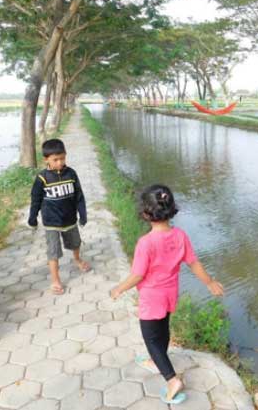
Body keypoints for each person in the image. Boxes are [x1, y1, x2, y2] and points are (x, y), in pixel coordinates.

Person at [110, 184, 224, 404]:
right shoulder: (180, 235)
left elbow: (137, 275)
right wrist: (209, 282)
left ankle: (171, 380)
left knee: (150, 338)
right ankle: (157, 360)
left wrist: (118, 289)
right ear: (171, 208)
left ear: (145, 213)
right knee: (162, 330)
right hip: (170, 293)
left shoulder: (146, 243)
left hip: (152, 298)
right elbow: (193, 263)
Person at [28, 138, 90, 295]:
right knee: (53, 251)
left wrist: (82, 214)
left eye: (62, 158)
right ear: (46, 159)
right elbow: (35, 199)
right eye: (56, 160)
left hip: (70, 220)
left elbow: (79, 196)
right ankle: (55, 280)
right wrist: (33, 217)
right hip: (51, 222)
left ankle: (77, 259)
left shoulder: (71, 173)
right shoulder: (42, 178)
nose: (60, 162)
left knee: (75, 243)